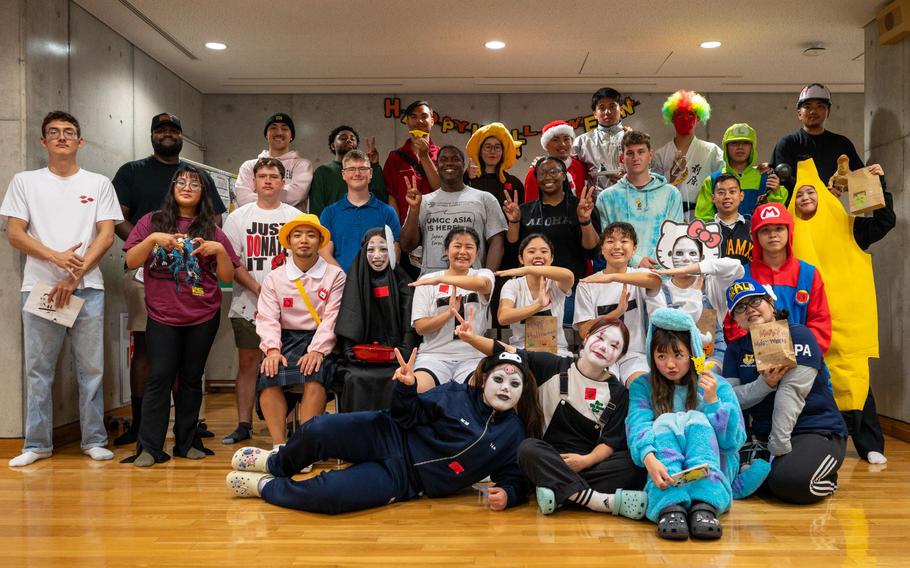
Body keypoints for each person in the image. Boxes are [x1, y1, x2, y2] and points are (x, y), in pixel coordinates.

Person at [225, 347, 543, 515]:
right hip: (387, 432)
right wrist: (406, 389)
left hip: (404, 479)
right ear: (484, 379)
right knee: (319, 428)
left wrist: (510, 495)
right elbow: (407, 417)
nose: (505, 388)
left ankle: (265, 486)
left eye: (514, 384)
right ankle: (275, 464)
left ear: (521, 393)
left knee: (331, 494)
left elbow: (513, 477)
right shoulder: (455, 393)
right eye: (499, 379)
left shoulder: (512, 434)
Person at [3, 111, 122, 467]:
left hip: (88, 287)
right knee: (38, 369)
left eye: (69, 132)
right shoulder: (25, 181)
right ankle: (37, 444)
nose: (61, 137)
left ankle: (94, 440)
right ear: (44, 142)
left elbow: (107, 233)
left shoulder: (98, 183)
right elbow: (15, 233)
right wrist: (56, 258)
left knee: (92, 369)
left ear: (80, 141)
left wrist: (77, 272)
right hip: (40, 286)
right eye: (53, 132)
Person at [455, 317, 648, 519]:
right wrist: (472, 338)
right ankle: (598, 501)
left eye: (614, 346)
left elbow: (610, 442)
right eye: (600, 337)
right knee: (527, 449)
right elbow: (507, 353)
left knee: (636, 462)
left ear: (620, 355)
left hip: (585, 466)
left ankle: (559, 492)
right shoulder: (551, 365)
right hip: (544, 461)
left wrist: (586, 460)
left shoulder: (619, 394)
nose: (603, 347)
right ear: (587, 336)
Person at [111, 112, 227, 446]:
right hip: (144, 272)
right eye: (160, 129)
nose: (166, 134)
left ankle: (188, 430)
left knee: (190, 358)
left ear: (181, 135)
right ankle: (142, 425)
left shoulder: (197, 174)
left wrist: (194, 248)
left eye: (173, 129)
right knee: (148, 351)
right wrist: (150, 245)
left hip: (192, 276)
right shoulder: (132, 171)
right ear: (151, 135)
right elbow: (118, 216)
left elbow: (214, 217)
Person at [123, 164, 240, 467]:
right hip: (162, 315)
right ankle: (149, 446)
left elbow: (227, 276)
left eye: (195, 184)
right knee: (159, 376)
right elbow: (130, 259)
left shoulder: (213, 230)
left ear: (203, 193)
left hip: (203, 314)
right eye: (181, 182)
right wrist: (151, 241)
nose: (187, 187)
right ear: (172, 188)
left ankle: (186, 442)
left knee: (191, 378)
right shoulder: (151, 222)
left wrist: (221, 252)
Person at [789, 159, 892, 464]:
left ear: (823, 194)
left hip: (847, 320)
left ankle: (869, 443)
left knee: (855, 381)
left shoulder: (850, 226)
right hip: (809, 323)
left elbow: (885, 222)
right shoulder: (787, 233)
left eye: (812, 191)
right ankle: (811, 441)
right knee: (807, 384)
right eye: (800, 194)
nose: (806, 197)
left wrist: (879, 184)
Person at [626, 308, 751, 541]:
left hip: (711, 469)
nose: (670, 364)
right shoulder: (642, 385)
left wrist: (713, 402)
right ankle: (670, 507)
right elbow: (637, 424)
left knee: (695, 419)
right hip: (663, 472)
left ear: (692, 353)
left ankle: (705, 504)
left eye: (678, 355)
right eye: (661, 356)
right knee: (664, 423)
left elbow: (733, 441)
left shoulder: (716, 384)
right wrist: (649, 457)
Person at [724, 278, 848, 504]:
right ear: (736, 319)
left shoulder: (799, 335)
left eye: (755, 301)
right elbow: (732, 400)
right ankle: (781, 466)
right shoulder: (735, 350)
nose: (749, 309)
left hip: (814, 429)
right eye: (740, 307)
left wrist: (777, 445)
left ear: (771, 302)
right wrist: (765, 384)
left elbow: (791, 391)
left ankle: (826, 478)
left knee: (788, 484)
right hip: (764, 436)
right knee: (757, 482)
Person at [220, 158, 301, 445]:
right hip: (247, 301)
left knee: (288, 365)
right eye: (262, 176)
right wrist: (259, 289)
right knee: (248, 364)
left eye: (273, 176)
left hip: (289, 306)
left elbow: (302, 259)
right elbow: (233, 261)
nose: (267, 180)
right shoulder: (238, 217)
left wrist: (277, 296)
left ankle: (290, 424)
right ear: (253, 182)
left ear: (283, 182)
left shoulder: (295, 216)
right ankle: (243, 424)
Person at [256, 214, 345, 448]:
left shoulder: (336, 275)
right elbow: (267, 318)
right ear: (289, 241)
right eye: (297, 235)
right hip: (284, 339)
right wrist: (273, 350)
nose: (304, 240)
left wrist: (317, 350)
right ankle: (280, 446)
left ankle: (304, 447)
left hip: (322, 339)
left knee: (314, 375)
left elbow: (332, 318)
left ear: (320, 241)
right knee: (269, 375)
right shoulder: (274, 278)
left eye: (310, 235)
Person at [503, 157, 600, 324]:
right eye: (542, 173)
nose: (548, 176)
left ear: (564, 176)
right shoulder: (525, 210)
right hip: (531, 288)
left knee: (560, 337)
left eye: (553, 171)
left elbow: (593, 251)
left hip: (570, 287)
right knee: (535, 340)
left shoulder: (581, 207)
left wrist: (584, 220)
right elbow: (513, 248)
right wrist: (514, 221)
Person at [333, 227, 418, 411]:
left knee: (397, 378)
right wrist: (349, 350)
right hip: (360, 361)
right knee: (353, 379)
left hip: (396, 358)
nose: (377, 255)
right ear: (364, 252)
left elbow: (409, 325)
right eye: (371, 250)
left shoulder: (403, 282)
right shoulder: (354, 279)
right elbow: (349, 316)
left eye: (384, 249)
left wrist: (403, 352)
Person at [728, 203, 831, 353]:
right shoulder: (742, 275)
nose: (773, 235)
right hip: (755, 365)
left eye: (779, 228)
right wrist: (761, 356)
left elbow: (820, 325)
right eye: (765, 230)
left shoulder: (808, 273)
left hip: (803, 362)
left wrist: (797, 355)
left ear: (789, 231)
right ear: (753, 235)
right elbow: (733, 325)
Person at [574, 223, 664, 386]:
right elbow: (584, 331)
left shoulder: (640, 275)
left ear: (634, 248)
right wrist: (617, 312)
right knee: (607, 392)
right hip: (600, 354)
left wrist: (613, 277)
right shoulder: (588, 284)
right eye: (610, 241)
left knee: (640, 389)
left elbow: (655, 281)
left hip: (635, 355)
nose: (617, 246)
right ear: (602, 248)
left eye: (624, 241)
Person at [408, 227, 495, 391]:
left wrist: (441, 279)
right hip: (433, 356)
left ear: (476, 252)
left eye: (469, 247)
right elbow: (420, 328)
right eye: (457, 246)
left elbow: (483, 285)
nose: (463, 251)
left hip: (473, 356)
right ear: (446, 250)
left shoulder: (483, 274)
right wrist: (448, 314)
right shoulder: (427, 281)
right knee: (417, 389)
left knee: (482, 391)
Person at [400, 145, 507, 275]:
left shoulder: (485, 199)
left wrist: (486, 278)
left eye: (455, 159)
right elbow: (407, 245)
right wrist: (414, 209)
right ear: (437, 166)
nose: (449, 163)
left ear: (463, 165)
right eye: (443, 159)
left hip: (470, 284)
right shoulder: (423, 202)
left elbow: (497, 242)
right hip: (431, 285)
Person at [652, 222, 745, 370]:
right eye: (679, 253)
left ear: (702, 258)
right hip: (672, 361)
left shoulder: (712, 285)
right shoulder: (660, 291)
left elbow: (736, 267)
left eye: (692, 253)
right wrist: (695, 294)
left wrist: (695, 269)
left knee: (702, 375)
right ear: (670, 256)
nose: (686, 258)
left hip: (711, 358)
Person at [596, 130, 683, 268]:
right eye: (630, 153)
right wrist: (636, 261)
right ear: (622, 158)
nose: (636, 157)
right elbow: (606, 241)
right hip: (622, 274)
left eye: (641, 152)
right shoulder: (607, 198)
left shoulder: (671, 194)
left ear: (650, 155)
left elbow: (675, 236)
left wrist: (656, 264)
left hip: (662, 275)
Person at [771, 83, 864, 192]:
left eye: (820, 106)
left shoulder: (841, 144)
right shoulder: (787, 143)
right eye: (807, 106)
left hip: (829, 207)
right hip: (793, 207)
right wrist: (822, 191)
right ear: (799, 113)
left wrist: (872, 173)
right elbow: (780, 182)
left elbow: (860, 178)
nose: (813, 111)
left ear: (828, 112)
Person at [319, 150, 400, 271]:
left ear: (371, 173)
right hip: (342, 284)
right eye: (351, 169)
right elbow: (324, 253)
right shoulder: (329, 213)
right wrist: (346, 281)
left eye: (362, 168)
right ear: (343, 174)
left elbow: (395, 252)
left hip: (378, 285)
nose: (357, 173)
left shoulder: (387, 212)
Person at [496, 234, 576, 356]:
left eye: (544, 251)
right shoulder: (513, 285)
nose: (538, 255)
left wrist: (527, 270)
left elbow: (569, 276)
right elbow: (503, 317)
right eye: (531, 251)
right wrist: (538, 305)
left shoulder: (556, 284)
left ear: (551, 258)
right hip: (521, 352)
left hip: (556, 352)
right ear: (521, 258)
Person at [650, 90, 723, 219]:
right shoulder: (661, 155)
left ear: (699, 118)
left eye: (690, 114)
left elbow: (725, 182)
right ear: (671, 118)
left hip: (704, 217)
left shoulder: (712, 151)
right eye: (679, 115)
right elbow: (655, 190)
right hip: (670, 216)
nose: (684, 119)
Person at [695, 123, 787, 221]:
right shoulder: (712, 180)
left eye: (745, 143)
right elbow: (704, 220)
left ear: (752, 147)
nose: (740, 147)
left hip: (756, 235)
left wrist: (776, 192)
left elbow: (777, 216)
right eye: (734, 142)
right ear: (726, 147)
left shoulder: (766, 178)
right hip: (722, 235)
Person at [235, 112, 313, 209]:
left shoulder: (302, 165)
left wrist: (259, 196)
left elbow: (296, 194)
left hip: (292, 223)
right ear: (266, 135)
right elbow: (243, 198)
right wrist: (277, 196)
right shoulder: (249, 166)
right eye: (273, 128)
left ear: (291, 136)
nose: (279, 132)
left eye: (284, 129)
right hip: (256, 222)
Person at [382, 100, 442, 220]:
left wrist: (424, 156)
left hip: (436, 224)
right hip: (405, 227)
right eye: (413, 117)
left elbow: (442, 189)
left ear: (432, 121)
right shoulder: (395, 157)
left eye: (424, 116)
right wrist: (397, 230)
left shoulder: (442, 154)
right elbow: (391, 196)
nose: (419, 121)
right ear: (407, 122)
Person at [308, 125, 387, 217]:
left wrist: (374, 165)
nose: (349, 140)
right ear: (333, 146)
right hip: (331, 227)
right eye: (343, 138)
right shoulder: (323, 171)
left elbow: (380, 198)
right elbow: (316, 207)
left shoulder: (364, 171)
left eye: (352, 139)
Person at [572, 87, 628, 191]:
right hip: (596, 202)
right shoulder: (582, 141)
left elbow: (650, 170)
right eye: (602, 108)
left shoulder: (632, 137)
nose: (607, 112)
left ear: (621, 109)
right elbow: (568, 168)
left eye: (612, 106)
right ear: (595, 114)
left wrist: (630, 176)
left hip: (630, 199)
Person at [523, 120, 588, 202]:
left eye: (566, 139)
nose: (562, 144)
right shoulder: (536, 172)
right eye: (555, 140)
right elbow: (530, 209)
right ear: (546, 145)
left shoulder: (580, 166)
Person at [464, 122, 525, 205]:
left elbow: (522, 214)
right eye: (488, 147)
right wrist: (467, 178)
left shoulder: (514, 183)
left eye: (497, 147)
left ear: (503, 152)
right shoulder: (467, 180)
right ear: (480, 152)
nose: (492, 151)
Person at [709, 174, 753, 265]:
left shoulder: (753, 228)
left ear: (741, 196)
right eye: (721, 192)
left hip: (747, 278)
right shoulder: (705, 229)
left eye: (732, 192)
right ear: (713, 198)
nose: (727, 196)